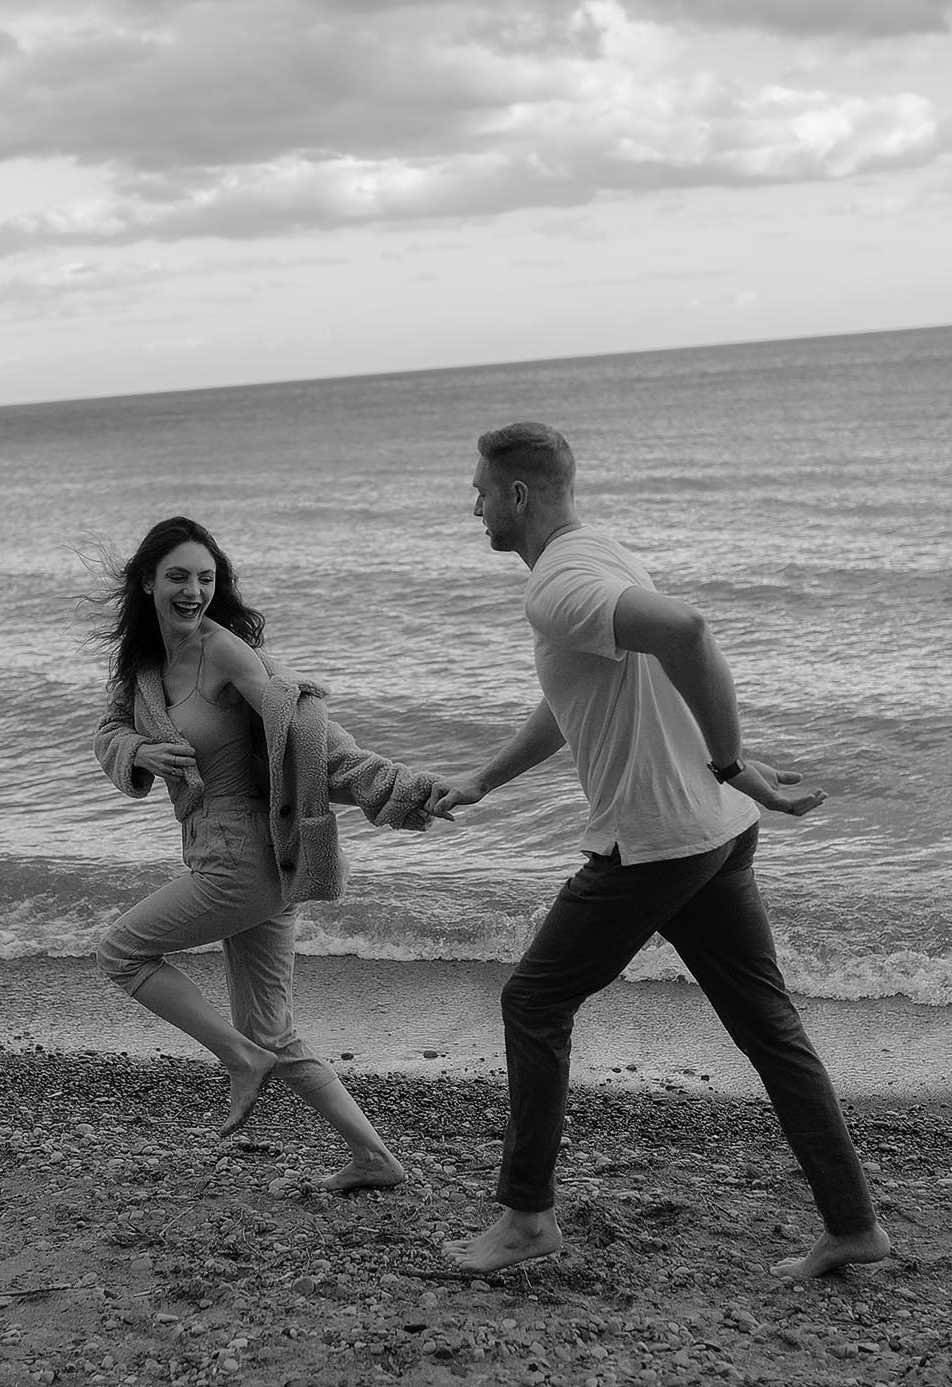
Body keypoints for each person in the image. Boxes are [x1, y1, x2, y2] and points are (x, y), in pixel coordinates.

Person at [433, 423, 892, 1278]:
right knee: (770, 1028)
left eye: (481, 492)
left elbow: (687, 630)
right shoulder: (597, 556)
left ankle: (526, 1219)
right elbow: (576, 692)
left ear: (517, 496)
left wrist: (732, 760)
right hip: (715, 833)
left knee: (533, 1002)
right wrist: (484, 779)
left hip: (655, 843)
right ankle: (854, 1224)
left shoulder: (557, 585)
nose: (475, 507)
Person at [88, 515, 453, 1193]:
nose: (194, 590)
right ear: (147, 583)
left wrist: (400, 788)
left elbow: (305, 733)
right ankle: (375, 1157)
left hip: (242, 859)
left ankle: (236, 1056)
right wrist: (140, 750)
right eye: (178, 576)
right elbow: (110, 730)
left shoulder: (227, 652)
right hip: (240, 861)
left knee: (121, 952)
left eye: (206, 578)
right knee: (273, 1029)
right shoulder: (142, 669)